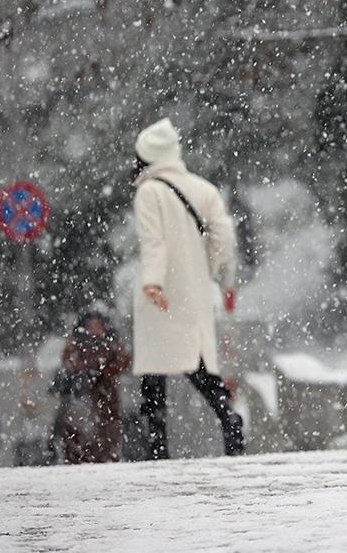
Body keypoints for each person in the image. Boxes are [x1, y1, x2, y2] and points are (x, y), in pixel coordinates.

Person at [131, 118, 245, 458]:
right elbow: (225, 237)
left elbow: (154, 243)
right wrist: (206, 270)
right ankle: (228, 420)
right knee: (195, 361)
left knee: (155, 370)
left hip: (161, 292)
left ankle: (158, 446)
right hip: (193, 290)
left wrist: (152, 281)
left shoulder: (149, 191)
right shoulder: (204, 188)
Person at [52, 306, 132, 464]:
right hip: (81, 393)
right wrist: (84, 371)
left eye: (98, 325)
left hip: (107, 395)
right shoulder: (76, 342)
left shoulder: (112, 342)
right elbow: (68, 359)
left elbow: (123, 361)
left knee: (107, 433)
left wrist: (104, 372)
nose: (94, 329)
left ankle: (104, 460)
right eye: (91, 325)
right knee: (76, 431)